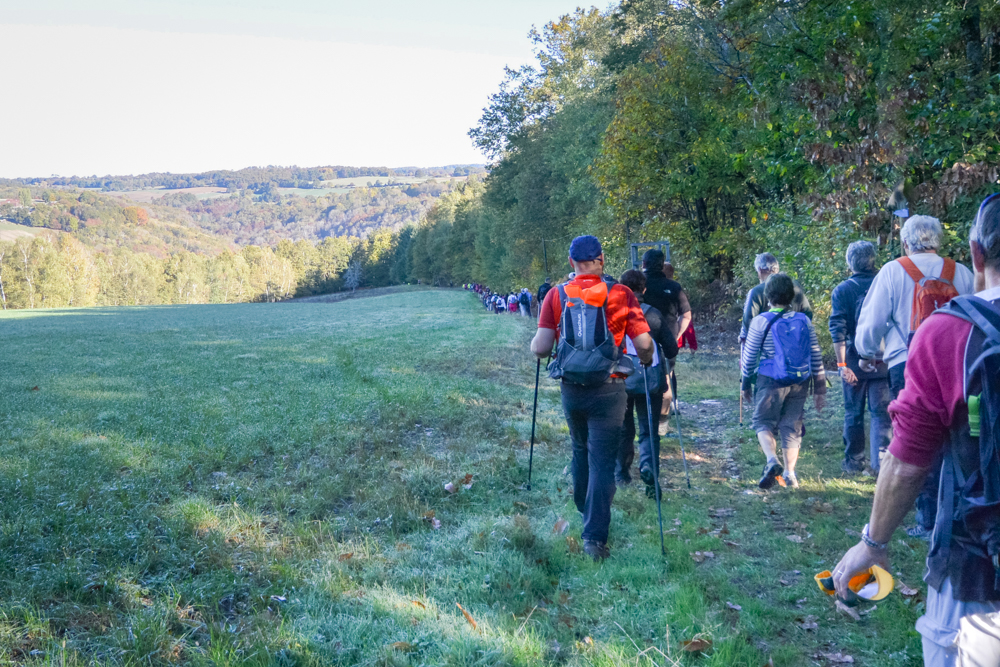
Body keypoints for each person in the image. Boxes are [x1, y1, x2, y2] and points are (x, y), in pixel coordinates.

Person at [832, 194, 1000, 666]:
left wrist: (873, 542)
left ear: (978, 252)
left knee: (925, 447)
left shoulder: (908, 286)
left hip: (977, 567)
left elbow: (905, 461)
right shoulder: (959, 274)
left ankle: (926, 521)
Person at [531, 236, 654, 561]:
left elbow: (541, 348)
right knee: (602, 460)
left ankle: (585, 507)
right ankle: (594, 538)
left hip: (572, 388)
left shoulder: (557, 295)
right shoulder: (621, 294)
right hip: (609, 388)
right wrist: (646, 356)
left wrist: (539, 342)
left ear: (571, 262)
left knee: (579, 449)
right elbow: (643, 343)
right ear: (601, 259)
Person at [856, 215, 975, 539]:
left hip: (907, 363)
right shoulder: (960, 272)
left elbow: (871, 325)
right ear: (938, 241)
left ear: (905, 242)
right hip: (957, 366)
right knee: (958, 438)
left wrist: (868, 353)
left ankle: (927, 519)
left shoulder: (895, 271)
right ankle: (961, 510)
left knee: (917, 439)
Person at [741, 273, 826, 489]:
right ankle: (790, 475)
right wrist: (820, 387)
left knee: (762, 421)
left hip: (770, 380)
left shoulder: (761, 321)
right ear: (792, 296)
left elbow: (749, 357)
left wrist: (745, 384)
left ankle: (772, 460)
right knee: (792, 426)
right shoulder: (804, 320)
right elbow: (815, 354)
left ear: (768, 296)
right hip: (800, 381)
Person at [829, 241, 891, 475]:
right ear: (873, 260)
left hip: (854, 361)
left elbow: (838, 330)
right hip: (883, 359)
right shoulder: (885, 283)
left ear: (849, 262)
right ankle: (881, 464)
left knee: (853, 413)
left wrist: (842, 364)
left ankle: (854, 462)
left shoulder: (843, 290)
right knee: (881, 413)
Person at [616, 269, 679, 496]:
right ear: (644, 289)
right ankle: (648, 468)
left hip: (621, 379)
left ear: (622, 288)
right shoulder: (653, 314)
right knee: (649, 429)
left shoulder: (614, 314)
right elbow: (672, 348)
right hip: (649, 378)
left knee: (623, 429)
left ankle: (621, 474)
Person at [641, 250, 692, 432]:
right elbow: (686, 315)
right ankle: (661, 426)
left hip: (639, 341)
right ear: (663, 265)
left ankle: (643, 422)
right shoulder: (674, 287)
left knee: (637, 379)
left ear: (643, 264)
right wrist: (676, 335)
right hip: (666, 342)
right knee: (666, 379)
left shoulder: (638, 285)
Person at [739, 253, 813, 344]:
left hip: (768, 351)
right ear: (777, 269)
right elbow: (808, 314)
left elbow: (748, 324)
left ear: (759, 270)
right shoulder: (795, 288)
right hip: (795, 348)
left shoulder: (756, 292)